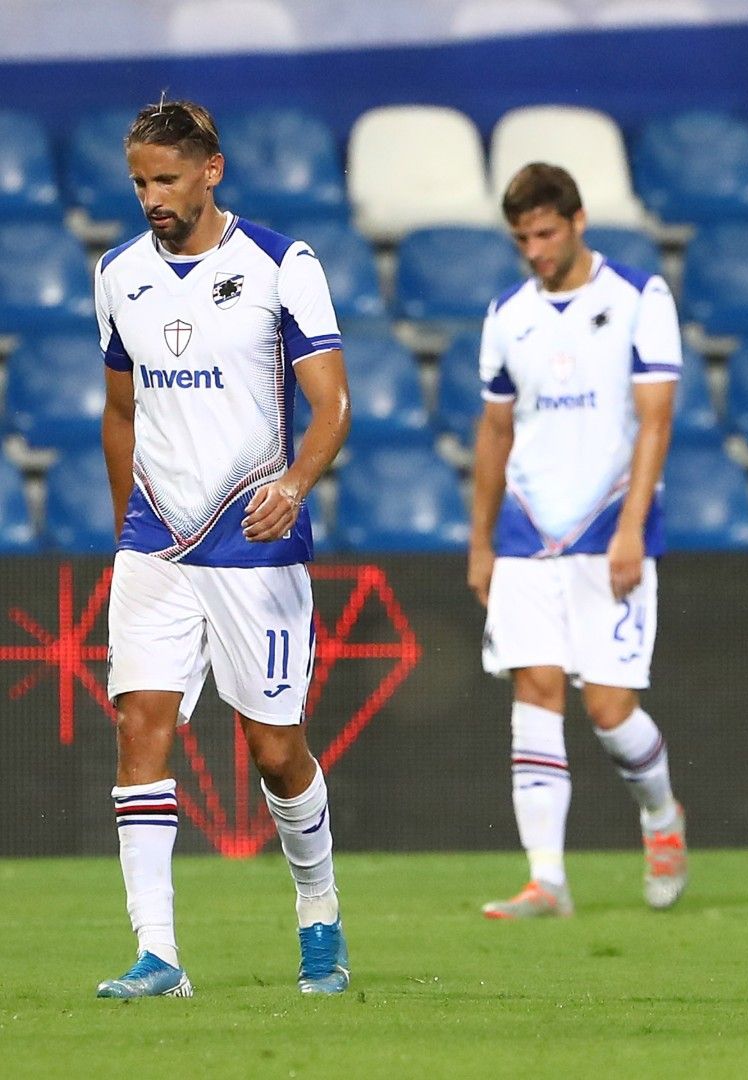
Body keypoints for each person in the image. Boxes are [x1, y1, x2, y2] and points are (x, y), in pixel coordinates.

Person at [94, 99, 352, 998]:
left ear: (212, 169)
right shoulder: (118, 273)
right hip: (155, 542)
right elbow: (120, 411)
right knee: (139, 727)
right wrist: (133, 526)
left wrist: (293, 487)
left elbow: (333, 406)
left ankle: (319, 913)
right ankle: (157, 956)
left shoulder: (283, 264)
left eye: (165, 178)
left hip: (253, 539)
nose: (150, 197)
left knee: (275, 750)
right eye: (138, 181)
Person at [469, 163, 688, 919]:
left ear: (578, 220)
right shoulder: (507, 313)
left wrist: (632, 529)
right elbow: (495, 430)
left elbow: (655, 419)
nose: (534, 250)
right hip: (526, 532)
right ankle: (547, 880)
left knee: (609, 709)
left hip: (608, 528)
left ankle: (660, 815)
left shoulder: (637, 298)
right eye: (522, 238)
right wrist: (480, 543)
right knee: (535, 691)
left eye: (546, 233)